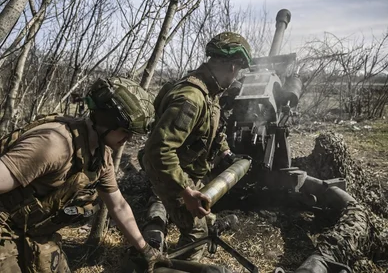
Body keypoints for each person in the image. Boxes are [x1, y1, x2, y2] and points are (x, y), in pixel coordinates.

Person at [0, 77, 170, 273]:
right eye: (125, 131)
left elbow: (118, 205)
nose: (128, 139)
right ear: (106, 121)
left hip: (33, 232)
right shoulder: (53, 145)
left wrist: (146, 250)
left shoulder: (99, 156)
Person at [142, 32, 252, 261]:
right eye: (239, 70)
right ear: (233, 67)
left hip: (187, 171)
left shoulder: (209, 93)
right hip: (171, 174)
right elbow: (159, 150)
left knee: (205, 218)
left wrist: (225, 152)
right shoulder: (192, 97)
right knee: (197, 234)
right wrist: (184, 190)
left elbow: (211, 130)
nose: (237, 76)